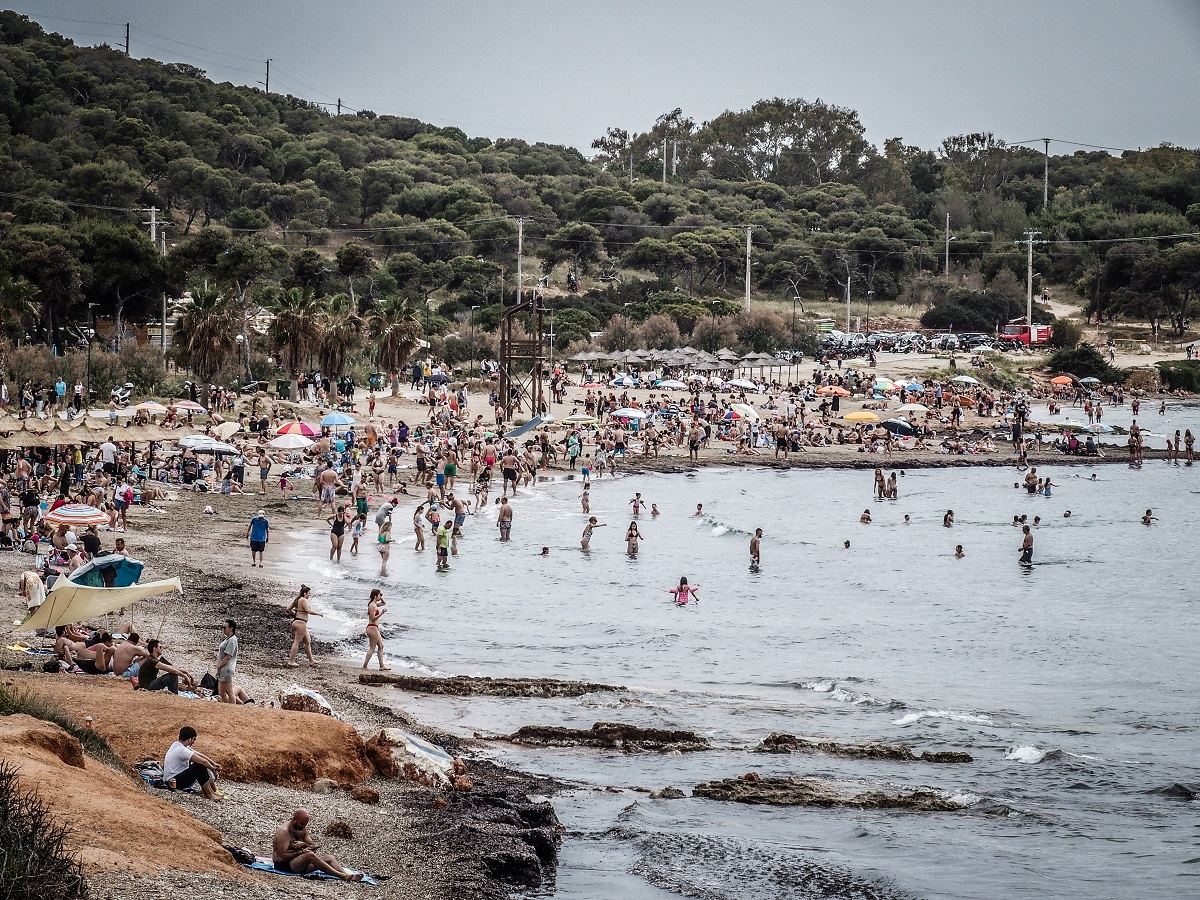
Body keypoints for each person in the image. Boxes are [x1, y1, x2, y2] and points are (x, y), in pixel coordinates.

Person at [272, 809, 363, 882]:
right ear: (294, 819)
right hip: (284, 866)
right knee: (310, 855)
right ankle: (342, 876)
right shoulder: (284, 832)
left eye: (305, 824)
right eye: (302, 824)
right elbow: (281, 857)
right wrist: (302, 851)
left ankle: (348, 875)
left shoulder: (302, 829)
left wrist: (304, 844)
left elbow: (313, 847)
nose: (303, 827)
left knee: (329, 857)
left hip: (300, 863)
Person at [163, 726, 222, 801]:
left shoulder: (177, 745)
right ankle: (209, 795)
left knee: (201, 764)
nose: (194, 742)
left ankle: (212, 792)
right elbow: (203, 761)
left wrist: (214, 764)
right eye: (194, 739)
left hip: (172, 779)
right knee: (198, 766)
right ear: (189, 739)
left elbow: (199, 755)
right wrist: (213, 769)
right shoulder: (182, 750)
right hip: (173, 782)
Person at [286, 585, 322, 667]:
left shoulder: (298, 599)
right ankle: (291, 661)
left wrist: (295, 615)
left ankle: (311, 661)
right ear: (305, 593)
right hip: (300, 623)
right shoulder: (303, 600)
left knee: (307, 641)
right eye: (309, 593)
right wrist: (319, 613)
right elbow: (308, 611)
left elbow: (288, 609)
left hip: (298, 622)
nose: (310, 595)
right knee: (296, 642)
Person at [362, 589, 388, 670]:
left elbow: (384, 603)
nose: (380, 597)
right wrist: (382, 613)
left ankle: (381, 666)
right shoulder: (372, 606)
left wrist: (381, 596)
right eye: (379, 595)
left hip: (374, 628)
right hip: (372, 627)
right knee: (372, 648)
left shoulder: (375, 604)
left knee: (381, 646)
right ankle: (364, 666)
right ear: (375, 596)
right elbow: (373, 618)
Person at [216, 619, 239, 704]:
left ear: (231, 628)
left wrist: (219, 666)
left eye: (225, 627)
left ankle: (231, 707)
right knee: (222, 692)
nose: (223, 629)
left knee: (229, 692)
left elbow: (228, 656)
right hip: (224, 668)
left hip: (226, 668)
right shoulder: (228, 639)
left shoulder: (232, 640)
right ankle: (228, 706)